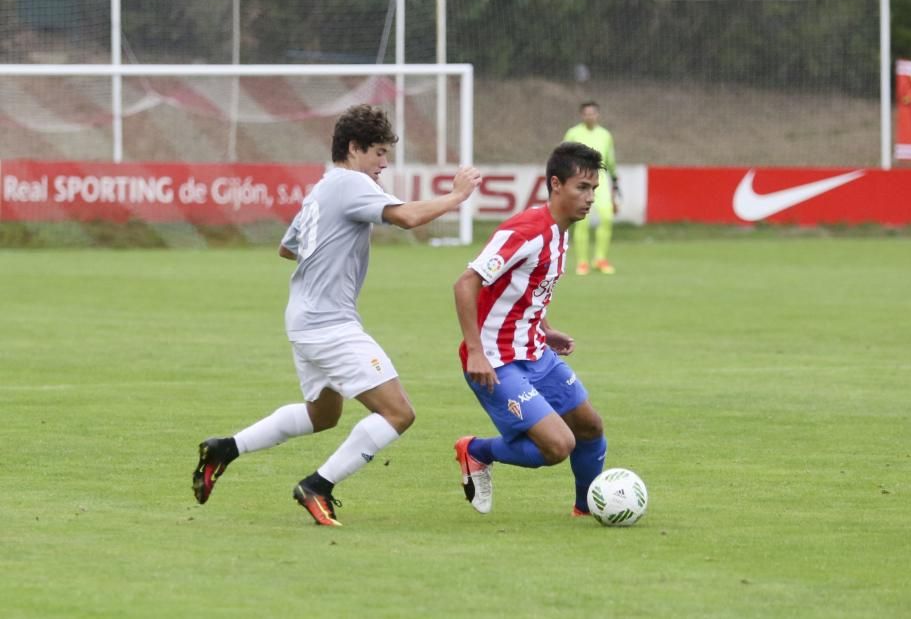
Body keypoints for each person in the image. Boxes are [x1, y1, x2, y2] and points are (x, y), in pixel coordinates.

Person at [192, 104, 481, 527]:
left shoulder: (322, 189)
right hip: (329, 323)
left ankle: (224, 448)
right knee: (399, 413)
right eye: (379, 153)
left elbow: (286, 248)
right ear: (354, 148)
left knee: (322, 415)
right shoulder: (350, 183)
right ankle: (318, 485)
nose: (384, 164)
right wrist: (457, 195)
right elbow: (405, 217)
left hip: (304, 318)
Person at [452, 141, 608, 517]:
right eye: (582, 188)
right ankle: (476, 451)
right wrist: (475, 351)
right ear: (556, 184)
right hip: (495, 360)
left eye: (594, 190)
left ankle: (587, 510)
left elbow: (525, 290)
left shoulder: (561, 232)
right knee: (558, 446)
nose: (589, 198)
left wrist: (544, 327)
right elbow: (466, 283)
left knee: (590, 427)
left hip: (535, 351)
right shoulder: (526, 230)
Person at [563, 101, 619, 275]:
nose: (590, 116)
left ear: (597, 115)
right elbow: (563, 156)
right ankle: (582, 262)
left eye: (593, 113)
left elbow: (610, 160)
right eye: (586, 113)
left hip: (599, 178)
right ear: (582, 115)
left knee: (607, 216)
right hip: (579, 179)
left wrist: (615, 182)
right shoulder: (573, 133)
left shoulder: (605, 135)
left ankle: (600, 259)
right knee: (582, 221)